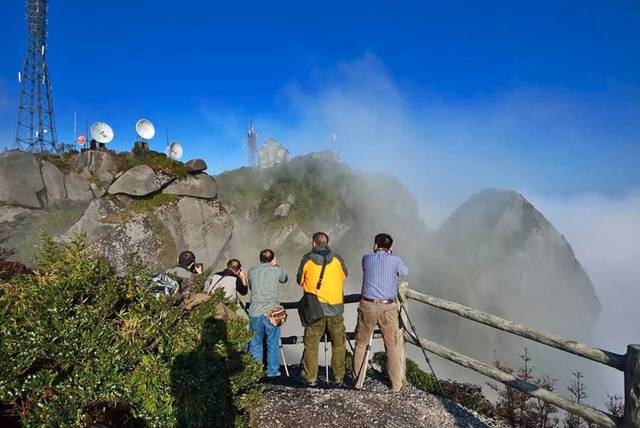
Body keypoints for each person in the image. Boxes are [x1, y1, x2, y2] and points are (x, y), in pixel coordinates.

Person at [353, 233, 409, 392]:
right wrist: (391, 256)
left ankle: (358, 381)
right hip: (387, 308)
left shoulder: (366, 259)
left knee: (361, 343)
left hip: (367, 305)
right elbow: (405, 272)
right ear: (390, 247)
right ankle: (396, 385)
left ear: (375, 246)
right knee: (391, 346)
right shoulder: (395, 260)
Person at [297, 232, 348, 387]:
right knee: (339, 343)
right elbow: (345, 275)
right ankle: (338, 377)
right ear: (327, 242)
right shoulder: (337, 259)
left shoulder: (307, 259)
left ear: (313, 243)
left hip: (314, 310)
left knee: (311, 343)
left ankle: (310, 377)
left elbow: (299, 280)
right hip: (335, 309)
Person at [247, 249, 288, 379]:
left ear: (260, 258)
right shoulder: (276, 270)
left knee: (255, 343)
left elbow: (251, 288)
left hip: (255, 312)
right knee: (273, 342)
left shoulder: (252, 271)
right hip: (272, 313)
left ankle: (255, 372)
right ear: (272, 259)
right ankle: (272, 371)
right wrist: (276, 265)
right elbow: (284, 279)